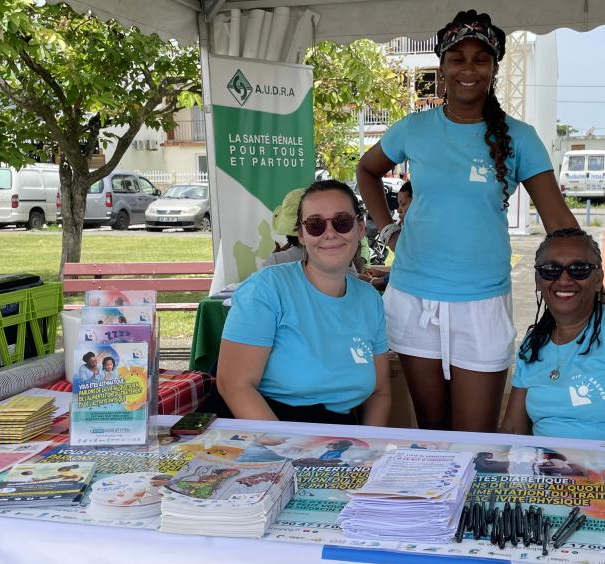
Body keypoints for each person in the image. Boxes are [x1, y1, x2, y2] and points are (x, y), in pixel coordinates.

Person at [356, 10, 577, 432]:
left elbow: (558, 221)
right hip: (413, 297)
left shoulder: (520, 137)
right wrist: (388, 231)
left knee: (475, 438)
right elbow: (366, 171)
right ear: (442, 67)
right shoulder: (414, 129)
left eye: (481, 59)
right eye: (457, 58)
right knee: (434, 432)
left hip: (481, 302)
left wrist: (586, 277)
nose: (468, 69)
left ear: (494, 68)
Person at [212, 179, 392, 425]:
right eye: (315, 224)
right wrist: (285, 450)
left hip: (341, 439)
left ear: (360, 228)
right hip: (268, 430)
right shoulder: (267, 287)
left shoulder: (370, 300)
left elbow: (380, 392)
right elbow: (234, 385)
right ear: (302, 235)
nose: (330, 233)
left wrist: (370, 448)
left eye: (342, 221)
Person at [501, 228, 605, 444]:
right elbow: (513, 430)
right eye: (550, 269)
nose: (564, 279)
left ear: (598, 279)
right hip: (548, 472)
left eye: (579, 269)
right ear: (538, 280)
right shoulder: (533, 343)